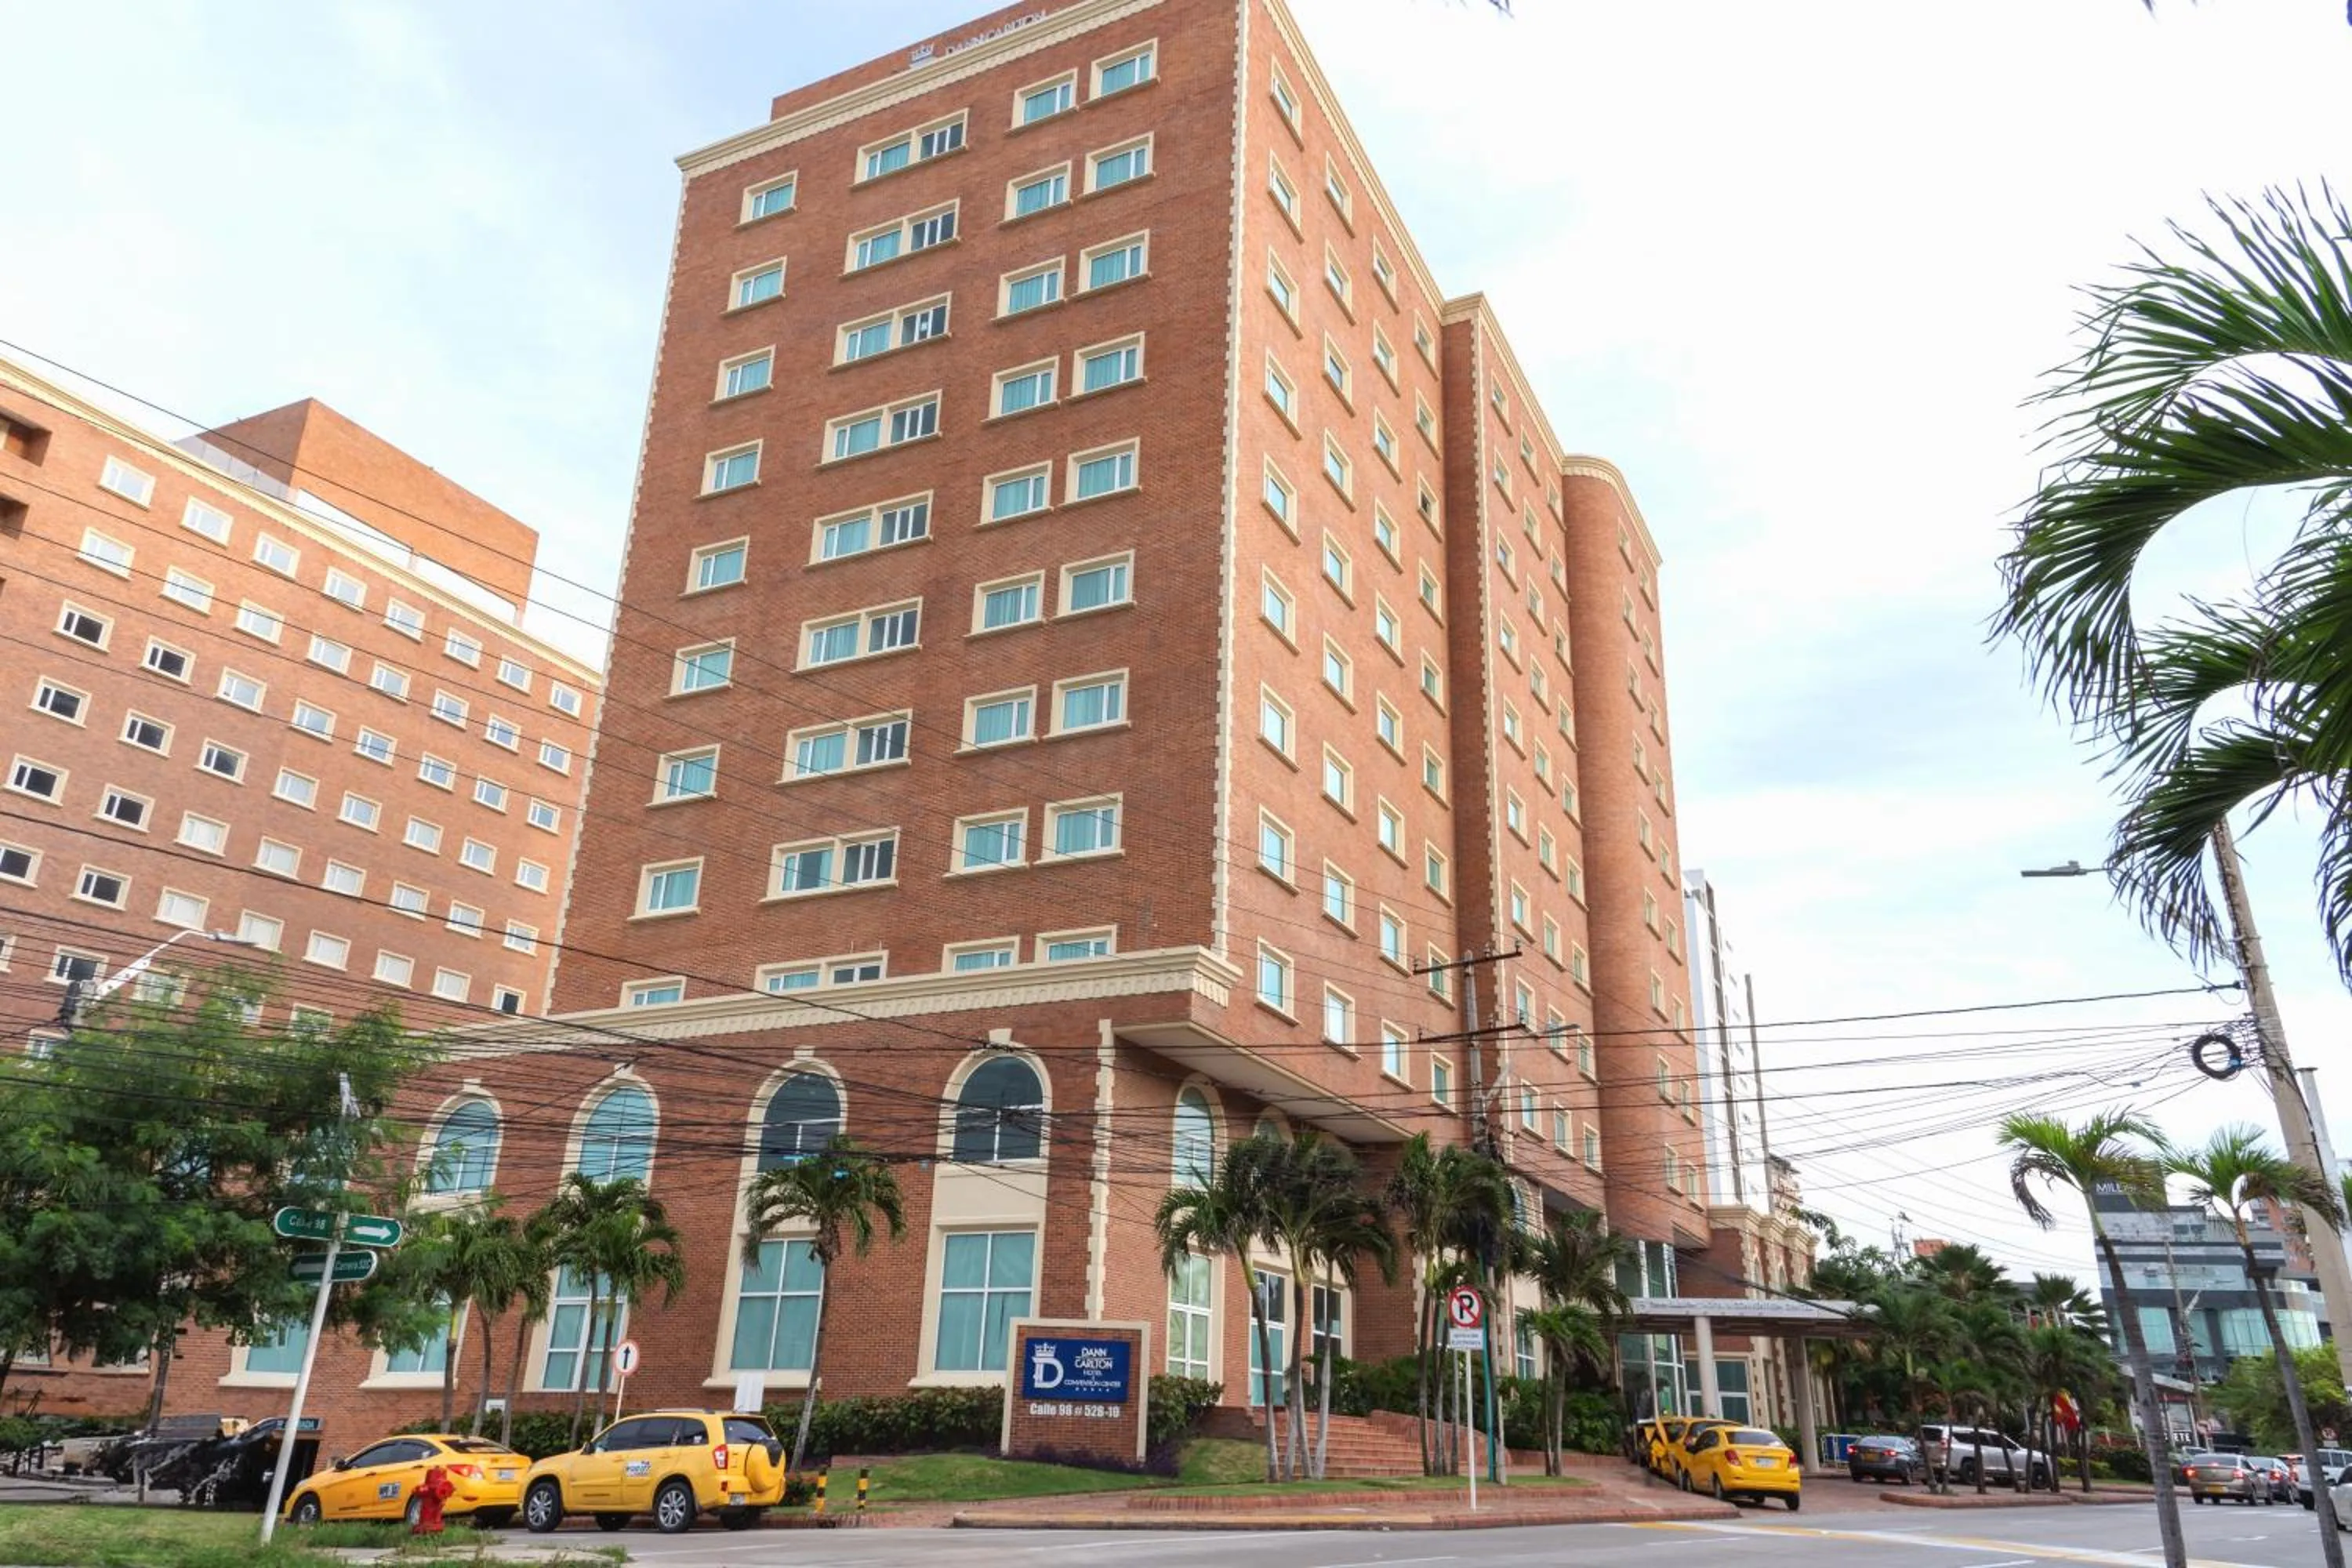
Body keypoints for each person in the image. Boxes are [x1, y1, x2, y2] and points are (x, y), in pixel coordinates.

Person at [412, 1465, 455, 1535]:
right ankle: (432, 1524)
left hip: (426, 1523)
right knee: (437, 1509)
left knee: (433, 1509)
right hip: (433, 1522)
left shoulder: (430, 1489)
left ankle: (427, 1524)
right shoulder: (431, 1489)